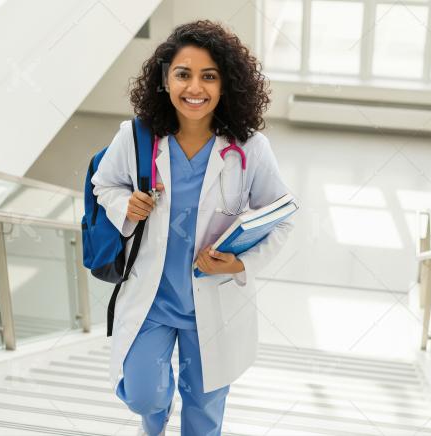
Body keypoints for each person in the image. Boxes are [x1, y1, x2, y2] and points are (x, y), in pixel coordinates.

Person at [91, 20, 295, 435]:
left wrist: (240, 265)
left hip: (213, 301)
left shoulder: (249, 148)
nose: (194, 88)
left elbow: (282, 217)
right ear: (165, 80)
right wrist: (125, 205)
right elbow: (103, 184)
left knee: (204, 408)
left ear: (226, 85)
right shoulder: (134, 137)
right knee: (144, 393)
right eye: (183, 74)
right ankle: (156, 419)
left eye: (209, 76)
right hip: (153, 299)